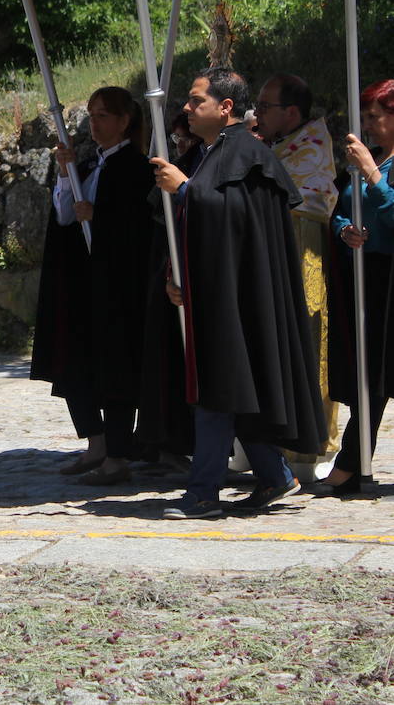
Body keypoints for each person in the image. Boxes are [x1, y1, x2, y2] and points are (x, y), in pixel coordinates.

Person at [150, 68, 326, 518]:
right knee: (231, 390)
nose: (187, 109)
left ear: (224, 107)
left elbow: (238, 217)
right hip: (215, 293)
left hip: (242, 298)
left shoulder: (248, 154)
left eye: (195, 101)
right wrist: (179, 275)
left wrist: (186, 189)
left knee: (218, 392)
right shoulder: (211, 153)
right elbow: (201, 225)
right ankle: (273, 474)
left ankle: (203, 493)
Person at [31, 87, 154, 485]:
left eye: (103, 115)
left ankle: (118, 453)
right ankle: (96, 444)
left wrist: (98, 218)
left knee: (115, 368)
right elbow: (66, 217)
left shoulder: (136, 168)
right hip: (83, 282)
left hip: (117, 287)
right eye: (91, 114)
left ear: (124, 121)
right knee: (76, 362)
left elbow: (137, 230)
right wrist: (67, 175)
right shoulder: (89, 164)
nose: (94, 123)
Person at [254, 74, 340, 480]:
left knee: (305, 340)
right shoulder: (279, 146)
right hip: (273, 254)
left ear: (291, 113)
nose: (257, 113)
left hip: (301, 252)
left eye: (265, 106)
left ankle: (308, 445)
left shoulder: (309, 150)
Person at [318, 79, 394, 496]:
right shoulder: (368, 161)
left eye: (375, 117)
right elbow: (340, 209)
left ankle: (349, 462)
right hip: (366, 279)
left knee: (378, 376)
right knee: (369, 377)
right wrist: (346, 228)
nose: (367, 126)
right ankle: (352, 459)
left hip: (390, 279)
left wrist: (372, 175)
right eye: (364, 117)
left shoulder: (375, 165)